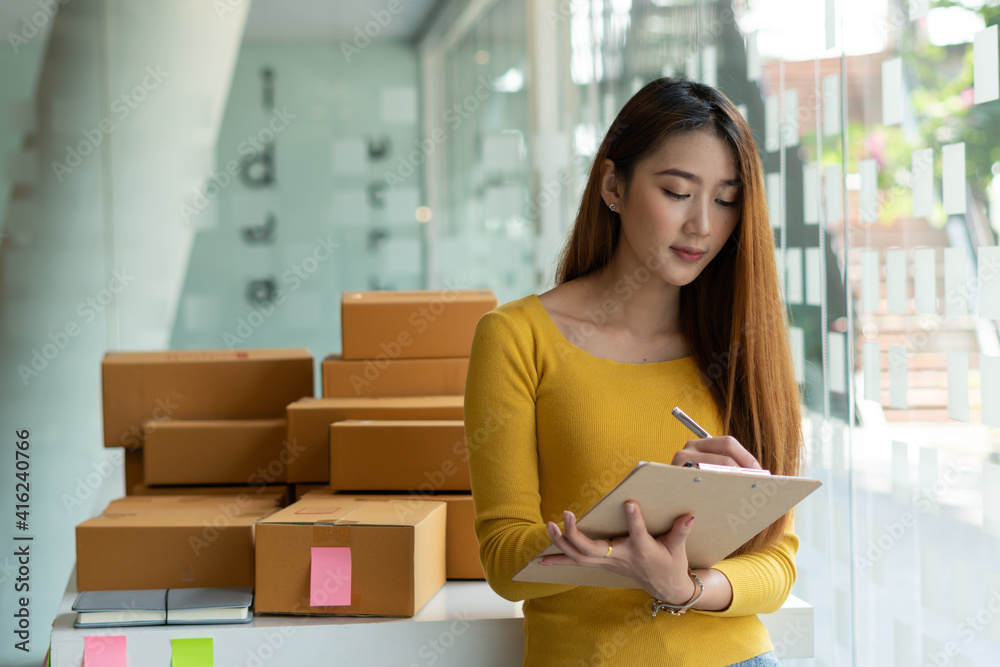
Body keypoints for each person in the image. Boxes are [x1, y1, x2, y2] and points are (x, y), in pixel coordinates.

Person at [463, 77, 803, 667]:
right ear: (613, 186)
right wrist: (626, 538)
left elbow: (778, 564)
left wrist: (684, 588)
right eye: (677, 191)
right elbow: (504, 564)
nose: (703, 224)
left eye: (726, 199)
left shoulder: (741, 344)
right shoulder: (517, 338)